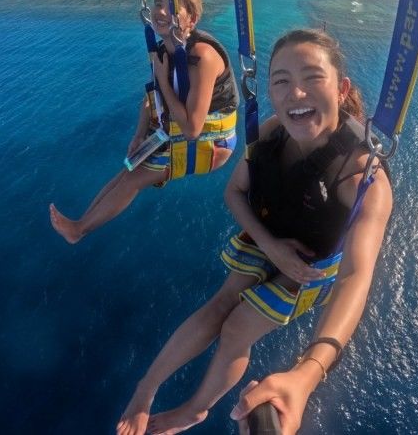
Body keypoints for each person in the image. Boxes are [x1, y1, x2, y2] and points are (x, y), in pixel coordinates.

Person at [116, 28, 393, 435]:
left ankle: (196, 408)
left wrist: (308, 373)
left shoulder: (362, 178)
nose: (295, 94)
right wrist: (271, 246)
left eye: (312, 78)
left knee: (237, 327)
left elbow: (356, 277)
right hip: (270, 239)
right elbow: (234, 192)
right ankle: (146, 388)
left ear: (340, 89)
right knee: (219, 305)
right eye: (281, 81)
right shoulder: (268, 134)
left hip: (311, 265)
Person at [50, 0, 239, 244]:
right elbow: (151, 99)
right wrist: (138, 135)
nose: (161, 11)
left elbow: (193, 130)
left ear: (191, 20)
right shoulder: (164, 50)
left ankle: (79, 231)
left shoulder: (203, 57)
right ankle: (79, 224)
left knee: (132, 181)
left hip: (212, 141)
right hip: (178, 130)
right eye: (158, 4)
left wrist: (163, 79)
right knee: (126, 172)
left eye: (172, 8)